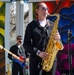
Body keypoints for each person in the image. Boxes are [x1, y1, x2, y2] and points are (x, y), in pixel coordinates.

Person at [23, 2, 62, 75]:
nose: (46, 11)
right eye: (43, 8)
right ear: (37, 11)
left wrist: (58, 38)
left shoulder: (52, 25)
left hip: (51, 61)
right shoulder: (31, 26)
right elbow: (26, 44)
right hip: (36, 61)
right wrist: (38, 52)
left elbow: (58, 42)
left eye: (47, 9)